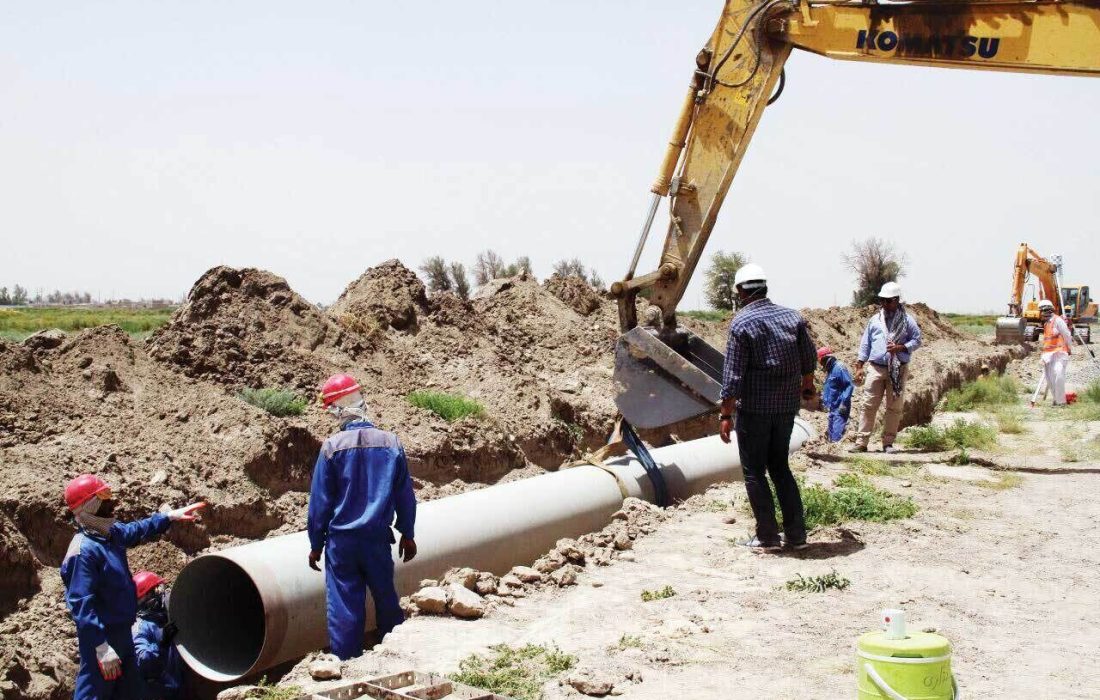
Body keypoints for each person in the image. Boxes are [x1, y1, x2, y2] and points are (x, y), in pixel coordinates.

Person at [60, 474, 204, 700]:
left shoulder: (109, 534)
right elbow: (82, 606)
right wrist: (101, 648)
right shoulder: (83, 552)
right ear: (90, 507)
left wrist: (168, 517)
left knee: (132, 693)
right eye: (104, 497)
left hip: (124, 632)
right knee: (94, 694)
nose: (112, 503)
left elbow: (136, 529)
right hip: (103, 638)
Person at [308, 373, 418, 660]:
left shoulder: (331, 447)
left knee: (345, 604)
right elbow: (404, 493)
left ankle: (346, 664)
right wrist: (407, 532)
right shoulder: (391, 443)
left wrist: (316, 543)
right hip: (376, 539)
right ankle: (395, 656)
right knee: (385, 597)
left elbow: (320, 502)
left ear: (338, 409)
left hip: (341, 542)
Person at [718, 264, 817, 552]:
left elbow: (733, 376)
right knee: (780, 467)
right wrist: (807, 384)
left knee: (754, 472)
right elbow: (809, 356)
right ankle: (796, 534)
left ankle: (767, 536)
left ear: (739, 292)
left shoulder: (742, 323)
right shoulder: (792, 317)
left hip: (756, 411)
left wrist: (725, 415)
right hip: (786, 408)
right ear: (765, 287)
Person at [851, 282, 922, 453]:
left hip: (898, 369)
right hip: (876, 368)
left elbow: (917, 340)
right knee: (868, 404)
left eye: (889, 301)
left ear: (897, 301)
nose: (885, 304)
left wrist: (901, 347)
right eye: (882, 300)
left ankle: (888, 443)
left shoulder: (908, 321)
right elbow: (865, 344)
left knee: (894, 407)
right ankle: (861, 442)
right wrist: (860, 365)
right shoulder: (875, 320)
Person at [131, 571, 183, 700]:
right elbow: (143, 661)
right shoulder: (140, 627)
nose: (161, 594)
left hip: (175, 689)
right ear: (147, 598)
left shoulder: (164, 619)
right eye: (156, 590)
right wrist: (161, 642)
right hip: (156, 693)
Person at [1035, 298, 1073, 406]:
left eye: (1042, 310)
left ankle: (1061, 402)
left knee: (1058, 376)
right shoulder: (1046, 323)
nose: (1041, 313)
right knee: (1050, 379)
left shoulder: (1058, 320)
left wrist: (1069, 348)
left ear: (1047, 310)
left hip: (1060, 354)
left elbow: (1067, 335)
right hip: (1048, 356)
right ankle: (1056, 400)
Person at [818, 346, 854, 442]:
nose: (821, 364)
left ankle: (835, 449)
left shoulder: (839, 368)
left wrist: (844, 402)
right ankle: (831, 448)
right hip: (833, 407)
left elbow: (849, 385)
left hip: (840, 406)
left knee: (836, 434)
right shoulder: (831, 369)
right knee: (831, 431)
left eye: (821, 361)